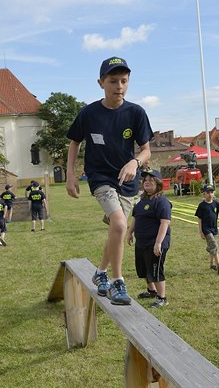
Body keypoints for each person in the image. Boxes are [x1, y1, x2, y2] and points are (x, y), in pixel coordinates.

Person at [66, 56, 153, 306]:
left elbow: (146, 150)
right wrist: (71, 175)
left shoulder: (136, 113)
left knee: (117, 229)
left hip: (127, 180)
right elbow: (75, 142)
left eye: (124, 81)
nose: (119, 86)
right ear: (100, 82)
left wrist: (134, 162)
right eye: (113, 81)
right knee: (118, 224)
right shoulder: (89, 113)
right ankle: (117, 282)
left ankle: (100, 273)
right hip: (100, 177)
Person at [127, 170, 171, 308]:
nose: (146, 182)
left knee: (155, 270)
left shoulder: (162, 202)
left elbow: (165, 223)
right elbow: (135, 217)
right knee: (144, 268)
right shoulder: (141, 201)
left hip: (155, 242)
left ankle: (162, 297)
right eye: (145, 179)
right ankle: (151, 291)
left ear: (158, 183)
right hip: (142, 241)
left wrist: (158, 243)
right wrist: (130, 232)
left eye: (151, 180)